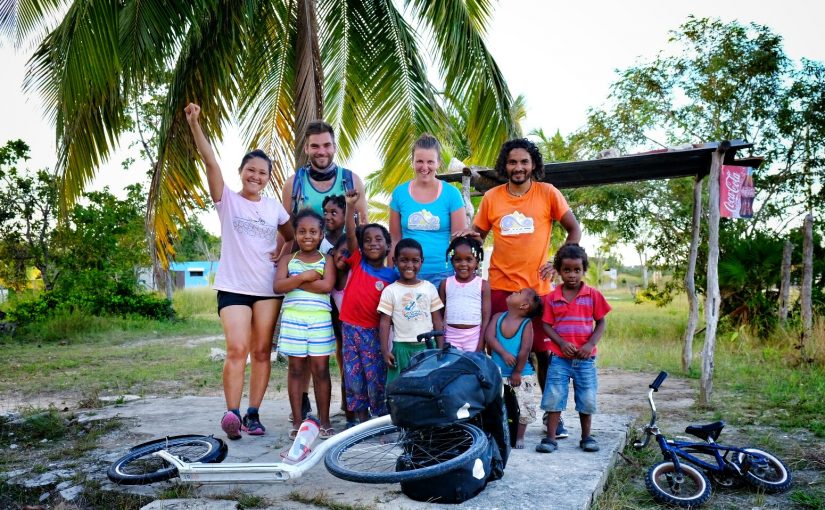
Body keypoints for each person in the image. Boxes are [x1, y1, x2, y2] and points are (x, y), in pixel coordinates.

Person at [454, 137, 582, 437]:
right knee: (498, 355)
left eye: (524, 161)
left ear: (533, 164)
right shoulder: (493, 197)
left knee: (543, 355)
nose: (518, 167)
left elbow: (574, 228)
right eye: (512, 162)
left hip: (538, 291)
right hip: (501, 288)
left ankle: (553, 417)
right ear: (505, 165)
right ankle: (501, 415)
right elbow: (479, 237)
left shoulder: (548, 193)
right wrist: (467, 237)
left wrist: (559, 260)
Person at [184, 103, 295, 440]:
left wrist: (282, 252)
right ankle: (231, 414)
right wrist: (194, 124)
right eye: (251, 170)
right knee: (237, 349)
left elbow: (291, 238)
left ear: (268, 177)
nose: (256, 177)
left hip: (266, 289)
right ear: (241, 171)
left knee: (262, 352)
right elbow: (209, 161)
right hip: (233, 287)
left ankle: (253, 414)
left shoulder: (274, 207)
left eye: (262, 173)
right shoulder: (227, 200)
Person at [538, 245, 611, 453]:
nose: (572, 275)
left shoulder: (593, 295)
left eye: (577, 270)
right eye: (567, 270)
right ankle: (551, 438)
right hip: (560, 358)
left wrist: (589, 345)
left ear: (584, 270)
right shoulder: (552, 298)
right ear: (559, 271)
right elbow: (546, 325)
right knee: (554, 395)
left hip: (585, 359)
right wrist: (560, 343)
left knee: (587, 397)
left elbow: (601, 322)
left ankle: (587, 437)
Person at [274, 209, 337, 439]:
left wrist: (294, 282)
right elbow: (278, 286)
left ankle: (325, 420)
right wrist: (305, 276)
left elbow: (327, 286)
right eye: (301, 231)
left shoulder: (326, 259)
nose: (307, 236)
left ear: (321, 234)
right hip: (293, 320)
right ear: (296, 234)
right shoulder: (287, 259)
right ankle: (299, 421)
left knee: (321, 370)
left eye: (313, 231)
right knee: (296, 370)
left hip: (319, 320)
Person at [339, 190, 398, 423]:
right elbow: (351, 234)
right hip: (350, 330)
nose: (373, 243)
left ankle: (379, 423)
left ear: (388, 245)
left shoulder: (392, 276)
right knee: (354, 379)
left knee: (376, 379)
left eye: (379, 239)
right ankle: (361, 424)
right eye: (368, 240)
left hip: (375, 333)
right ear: (361, 247)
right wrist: (350, 207)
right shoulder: (357, 260)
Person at [389, 134, 466, 290]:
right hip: (406, 274)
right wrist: (391, 273)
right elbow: (394, 240)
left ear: (438, 163)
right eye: (419, 161)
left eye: (430, 161)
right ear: (412, 162)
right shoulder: (399, 193)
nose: (425, 167)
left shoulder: (452, 194)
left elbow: (458, 241)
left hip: (442, 275)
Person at [379, 238, 445, 382]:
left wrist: (440, 348)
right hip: (401, 348)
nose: (409, 265)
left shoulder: (429, 288)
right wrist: (385, 351)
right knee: (399, 388)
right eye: (404, 260)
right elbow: (384, 323)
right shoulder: (390, 291)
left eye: (415, 260)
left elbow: (437, 319)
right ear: (395, 261)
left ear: (422, 261)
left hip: (427, 347)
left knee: (426, 387)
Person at [485, 288, 543, 449]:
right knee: (499, 406)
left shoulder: (526, 324)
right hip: (499, 373)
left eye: (518, 292)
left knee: (523, 405)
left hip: (521, 375)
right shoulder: (498, 317)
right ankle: (500, 434)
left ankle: (519, 436)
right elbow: (489, 337)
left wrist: (517, 371)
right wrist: (503, 353)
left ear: (524, 305)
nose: (513, 292)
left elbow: (525, 349)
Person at [282, 121, 368, 222]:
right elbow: (285, 235)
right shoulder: (292, 184)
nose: (321, 152)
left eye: (327, 145)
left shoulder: (353, 181)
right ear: (306, 149)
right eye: (315, 146)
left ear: (334, 147)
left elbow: (364, 228)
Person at [438, 236, 491, 352]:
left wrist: (481, 342)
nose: (463, 264)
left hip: (474, 337)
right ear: (451, 261)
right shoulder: (445, 284)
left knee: (471, 368)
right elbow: (439, 316)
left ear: (477, 262)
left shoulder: (483, 285)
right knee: (452, 367)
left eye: (469, 259)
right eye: (458, 259)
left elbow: (486, 318)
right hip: (451, 336)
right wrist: (441, 341)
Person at [329, 234, 357, 428]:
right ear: (333, 252)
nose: (344, 257)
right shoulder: (329, 281)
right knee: (347, 372)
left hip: (361, 334)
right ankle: (350, 416)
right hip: (343, 334)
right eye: (341, 252)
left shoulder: (354, 277)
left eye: (349, 253)